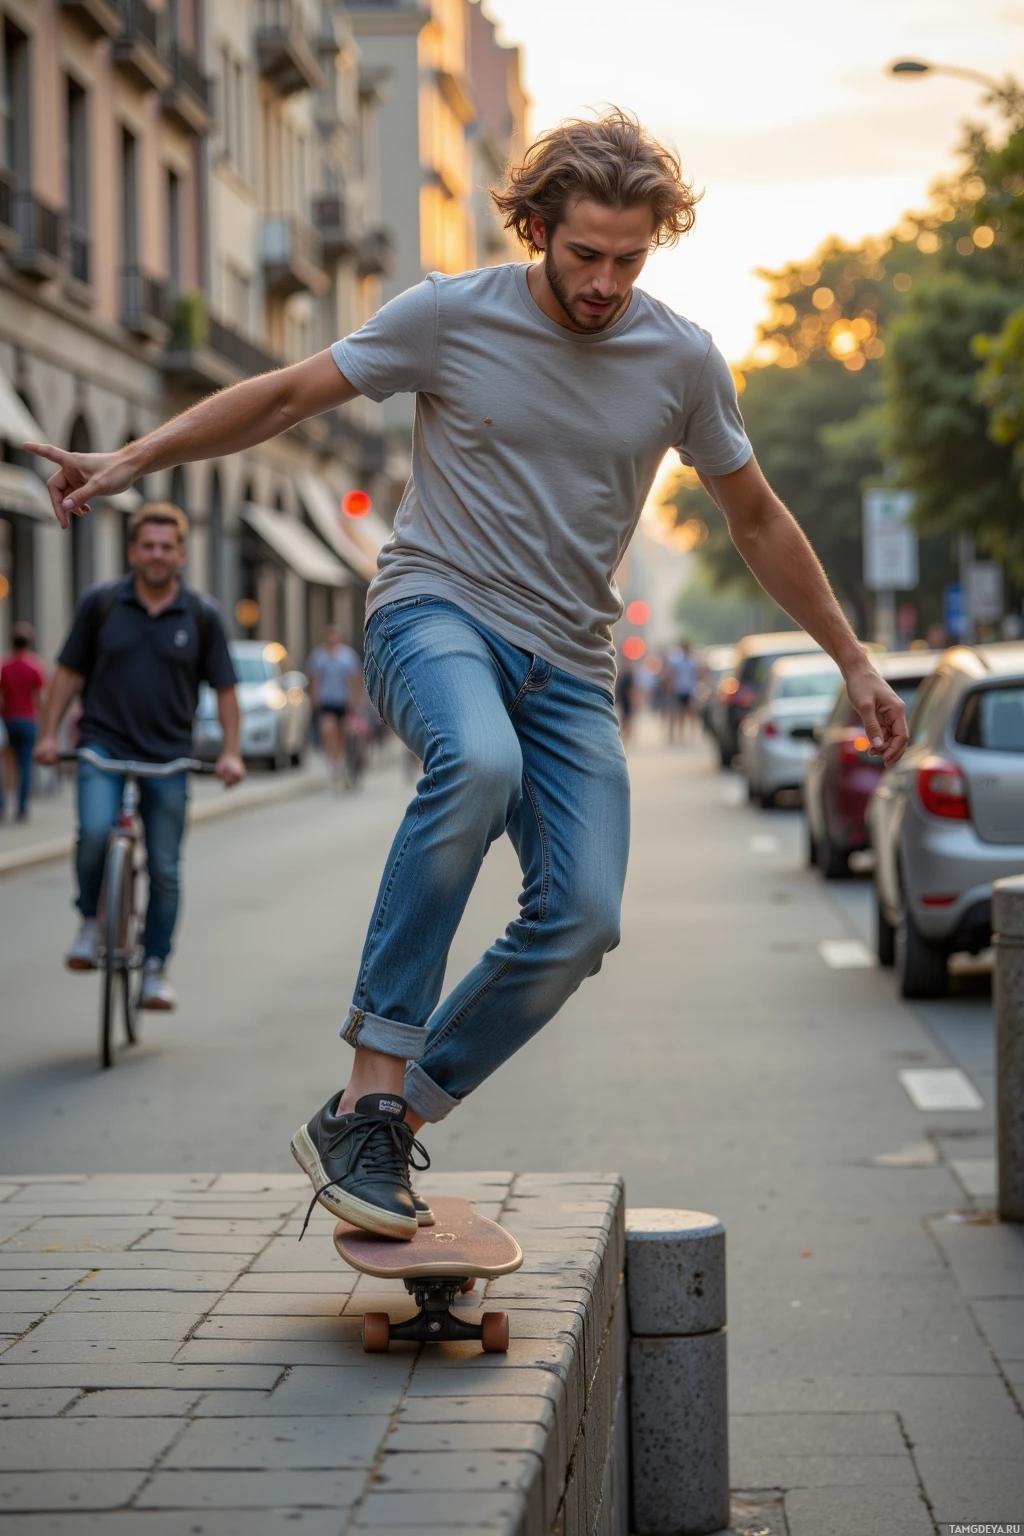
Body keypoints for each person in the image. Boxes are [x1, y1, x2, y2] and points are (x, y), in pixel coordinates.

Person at [27, 110, 908, 1238]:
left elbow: (756, 517)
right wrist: (130, 458)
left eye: (627, 260)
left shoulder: (681, 358)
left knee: (583, 919)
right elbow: (290, 395)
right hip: (433, 616)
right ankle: (375, 1069)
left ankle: (376, 1120)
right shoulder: (449, 315)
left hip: (573, 666)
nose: (603, 283)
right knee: (476, 760)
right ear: (538, 227)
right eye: (583, 254)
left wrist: (853, 659)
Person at [34, 504, 244, 1009]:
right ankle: (89, 921)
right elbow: (66, 673)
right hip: (102, 746)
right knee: (92, 833)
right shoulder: (102, 604)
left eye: (166, 547)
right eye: (147, 546)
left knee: (166, 868)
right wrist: (47, 735)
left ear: (182, 554)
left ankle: (154, 968)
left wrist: (232, 753)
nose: (156, 555)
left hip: (170, 756)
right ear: (132, 551)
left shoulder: (201, 614)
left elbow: (226, 688)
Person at [0, 622, 49, 821]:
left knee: (4, 765)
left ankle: (2, 805)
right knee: (25, 764)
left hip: (8, 719)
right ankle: (21, 808)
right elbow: (41, 698)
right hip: (28, 720)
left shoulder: (5, 666)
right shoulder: (35, 666)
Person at [307, 624, 363, 788]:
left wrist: (356, 699)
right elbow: (314, 679)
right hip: (327, 700)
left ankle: (340, 759)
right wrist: (314, 698)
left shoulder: (347, 656)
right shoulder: (318, 657)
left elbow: (355, 679)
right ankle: (333, 761)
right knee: (328, 729)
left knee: (342, 734)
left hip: (343, 701)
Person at [666, 640, 698, 741]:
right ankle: (677, 734)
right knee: (678, 713)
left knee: (689, 713)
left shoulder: (692, 662)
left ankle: (690, 734)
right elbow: (673, 674)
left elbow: (695, 675)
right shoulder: (678, 661)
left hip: (688, 690)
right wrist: (672, 686)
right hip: (679, 689)